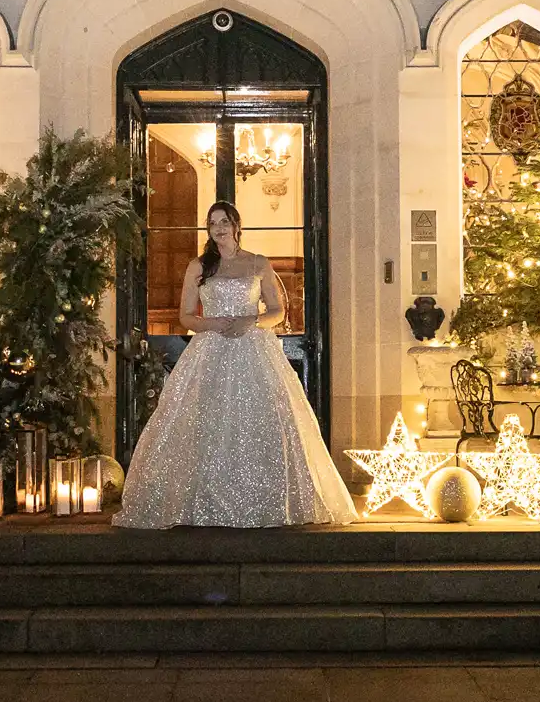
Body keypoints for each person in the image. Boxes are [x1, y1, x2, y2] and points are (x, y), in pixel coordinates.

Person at [113, 200, 358, 529]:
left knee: (259, 423)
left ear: (237, 226)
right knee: (205, 422)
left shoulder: (258, 263)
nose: (219, 228)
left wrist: (251, 320)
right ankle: (201, 501)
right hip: (210, 348)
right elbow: (185, 316)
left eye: (224, 221)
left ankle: (266, 502)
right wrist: (214, 324)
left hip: (253, 347)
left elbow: (278, 311)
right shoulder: (198, 266)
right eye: (213, 223)